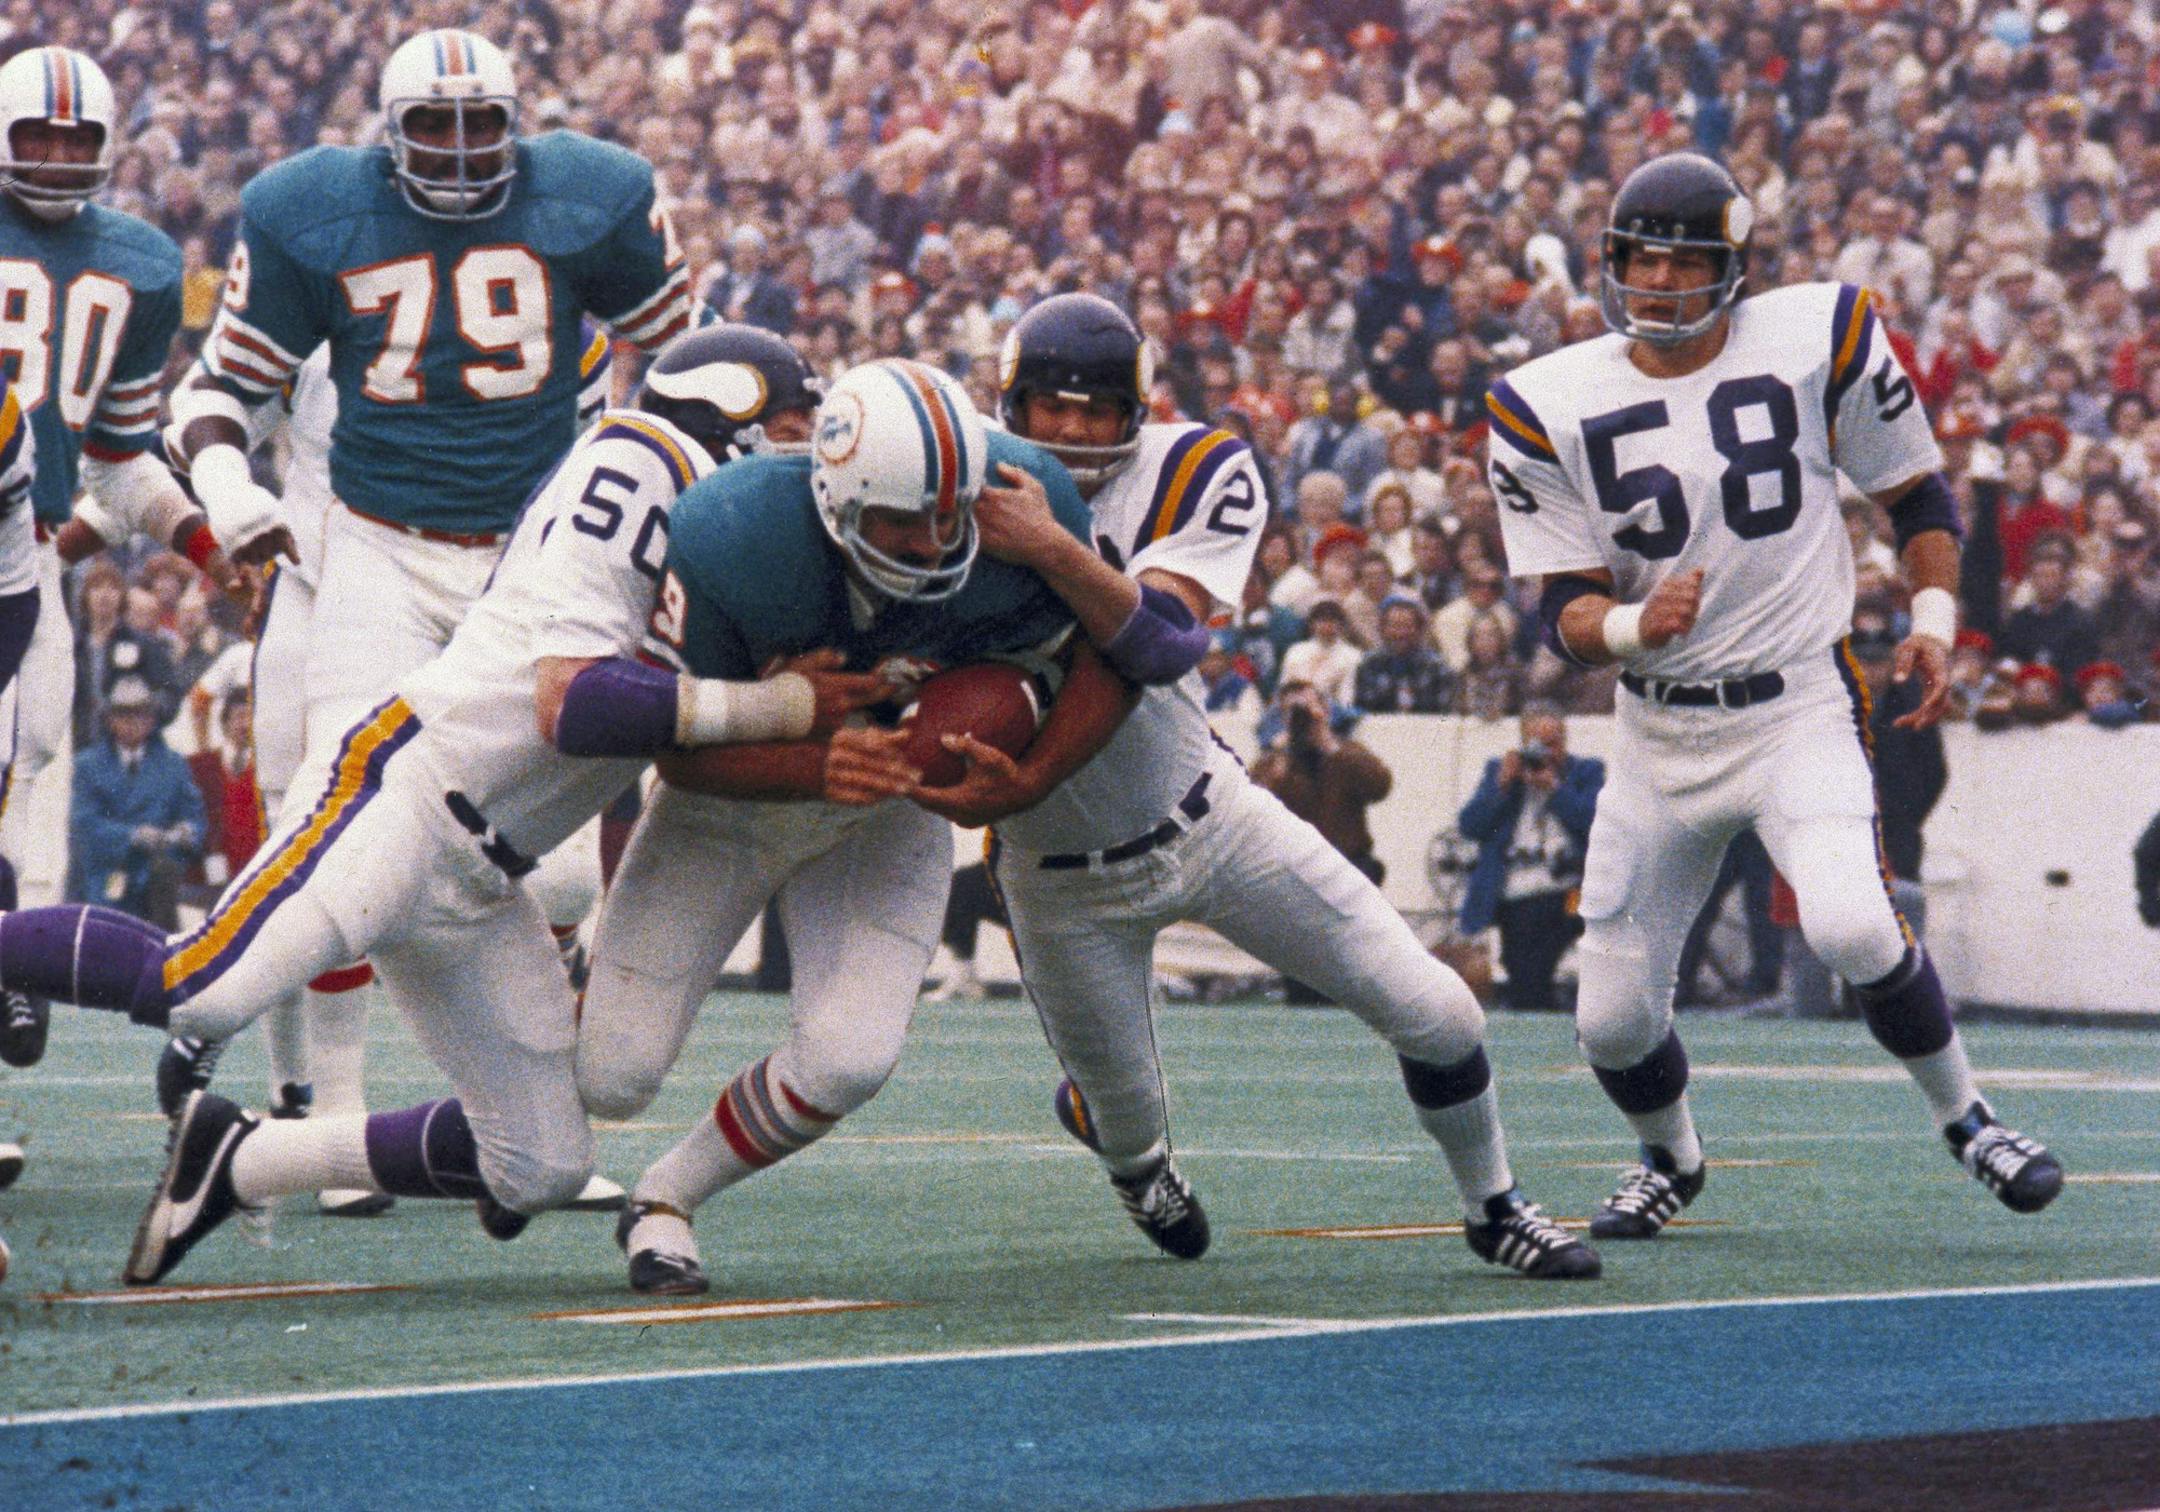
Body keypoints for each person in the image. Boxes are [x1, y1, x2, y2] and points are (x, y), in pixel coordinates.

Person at [0, 328, 875, 1287]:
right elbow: (574, 705)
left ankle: (241, 1158)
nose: (802, 463)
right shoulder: (643, 459)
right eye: (787, 431)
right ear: (725, 420)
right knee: (203, 987)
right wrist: (783, 705)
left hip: (487, 871)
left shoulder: (725, 546)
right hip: (406, 798)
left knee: (542, 1163)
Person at [1486, 152, 2061, 1242]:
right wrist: (1628, 626)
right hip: (1656, 732)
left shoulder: (1818, 333)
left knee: (1850, 921)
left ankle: (1969, 1118)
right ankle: (1672, 1159)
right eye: (1638, 257)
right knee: (1608, 1021)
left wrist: (1934, 626)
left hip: (1796, 703)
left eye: (1681, 259)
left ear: (1732, 267)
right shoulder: (1544, 402)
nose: (1655, 281)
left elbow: (1917, 496)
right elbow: (1557, 613)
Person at [969, 293, 1598, 1281]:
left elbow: (1163, 641)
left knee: (1438, 1013)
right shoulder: (956, 479)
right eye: (1051, 407)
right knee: (1129, 1120)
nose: (1074, 429)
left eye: (1096, 409)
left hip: (1208, 820)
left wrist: (1049, 545)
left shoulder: (1194, 464)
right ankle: (1136, 1167)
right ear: (1012, 401)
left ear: (1139, 405)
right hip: (1056, 875)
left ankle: (1493, 1203)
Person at [166, 27, 686, 1212]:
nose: (458, 153)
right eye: (433, 129)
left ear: (518, 120)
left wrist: (625, 463)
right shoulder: (310, 212)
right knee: (355, 838)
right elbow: (220, 388)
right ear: (387, 137)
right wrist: (231, 491)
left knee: (554, 880)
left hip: (536, 560)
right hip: (379, 557)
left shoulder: (594, 194)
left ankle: (493, 1114)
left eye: (479, 125)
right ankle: (247, 1046)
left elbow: (674, 354)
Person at [577, 357, 1129, 1297]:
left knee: (851, 1058)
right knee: (611, 1079)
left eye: (944, 517)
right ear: (834, 501)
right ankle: (566, 981)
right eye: (900, 519)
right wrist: (805, 750)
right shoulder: (736, 534)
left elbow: (1129, 656)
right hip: (732, 805)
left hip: (884, 811)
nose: (926, 544)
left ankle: (667, 1198)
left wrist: (1028, 774)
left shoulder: (1022, 511)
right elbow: (673, 750)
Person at [0, 48, 234, 924]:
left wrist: (200, 539)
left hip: (26, 550)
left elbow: (122, 459)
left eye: (75, 141)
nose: (56, 159)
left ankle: (9, 960)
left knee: (27, 752)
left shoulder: (141, 262)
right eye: (37, 138)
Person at [1456, 710, 1604, 1011]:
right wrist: (1500, 787)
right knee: (1522, 964)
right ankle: (1534, 1000)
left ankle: (1535, 998)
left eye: (1554, 745)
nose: (1546, 755)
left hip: (1570, 891)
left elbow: (1595, 823)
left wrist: (1555, 790)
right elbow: (1470, 826)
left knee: (1534, 944)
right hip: (1511, 890)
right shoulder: (1501, 773)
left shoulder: (1585, 772)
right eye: (1539, 746)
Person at [66, 676, 205, 928]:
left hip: (158, 881)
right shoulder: (88, 765)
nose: (132, 722)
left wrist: (186, 832)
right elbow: (84, 824)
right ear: (109, 720)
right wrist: (132, 835)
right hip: (106, 877)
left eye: (141, 714)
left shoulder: (173, 765)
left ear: (153, 719)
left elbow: (194, 816)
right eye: (123, 715)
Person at [1353, 592, 1452, 712]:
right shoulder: (1369, 664)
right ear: (1382, 629)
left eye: (1407, 626)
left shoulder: (1437, 666)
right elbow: (1362, 711)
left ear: (1419, 629)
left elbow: (1444, 714)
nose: (1400, 634)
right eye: (1394, 626)